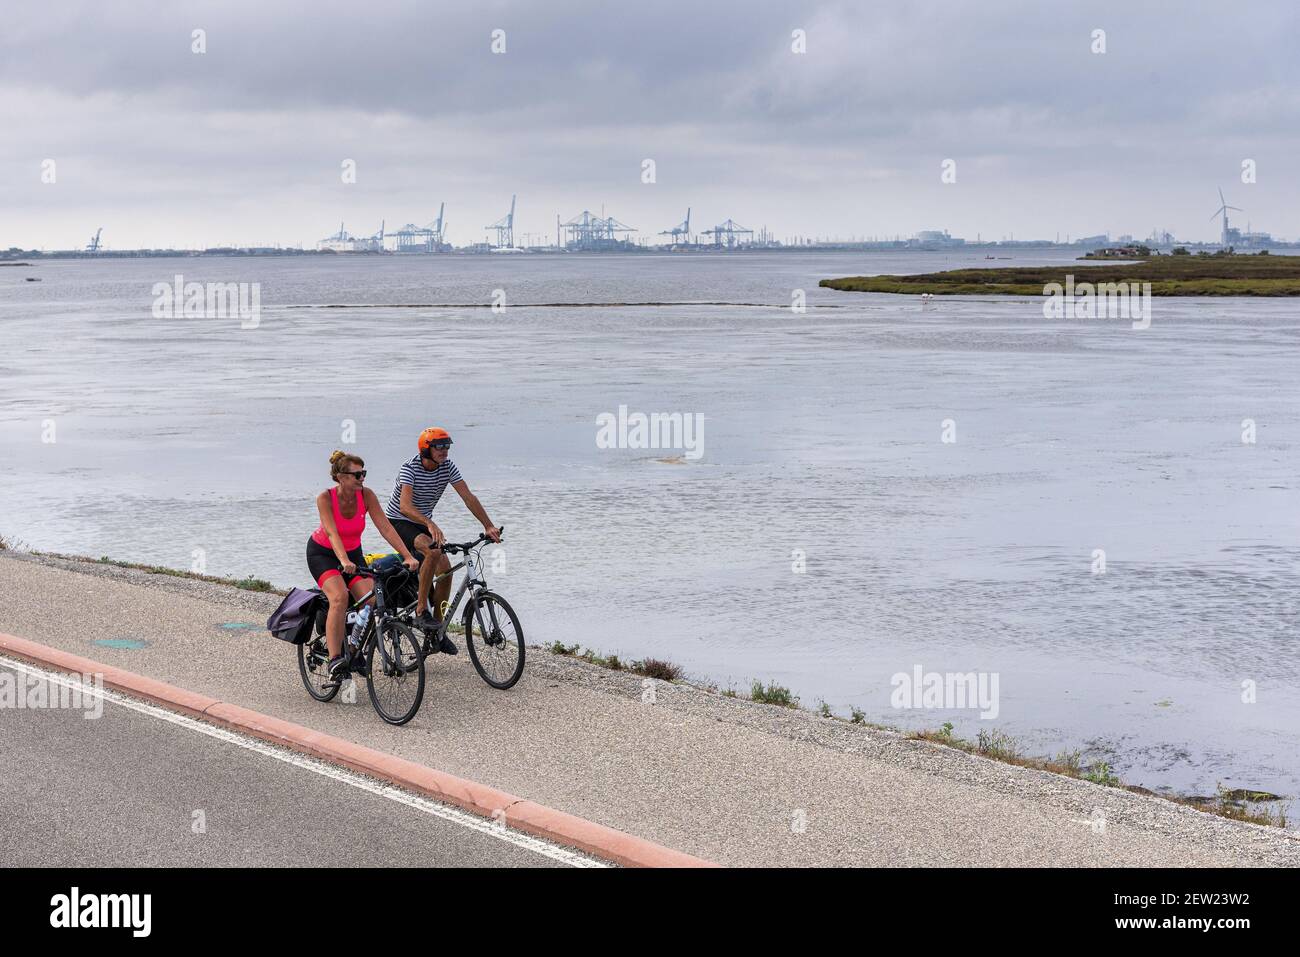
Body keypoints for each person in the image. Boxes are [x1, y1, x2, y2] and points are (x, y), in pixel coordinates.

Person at [385, 427, 501, 655]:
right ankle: (420, 612)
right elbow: (405, 507)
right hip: (399, 521)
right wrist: (430, 523)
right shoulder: (410, 468)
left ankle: (437, 631)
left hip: (423, 522)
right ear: (426, 449)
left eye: (447, 446)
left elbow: (468, 497)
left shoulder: (447, 467)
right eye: (439, 446)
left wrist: (487, 525)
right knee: (433, 552)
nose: (444, 451)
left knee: (446, 571)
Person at [307, 450, 419, 680]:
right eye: (356, 475)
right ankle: (335, 658)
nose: (362, 479)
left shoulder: (366, 496)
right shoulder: (325, 498)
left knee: (369, 600)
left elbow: (386, 527)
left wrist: (407, 555)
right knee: (340, 597)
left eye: (363, 473)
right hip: (324, 554)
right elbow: (331, 532)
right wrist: (343, 561)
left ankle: (354, 646)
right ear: (340, 476)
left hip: (352, 554)